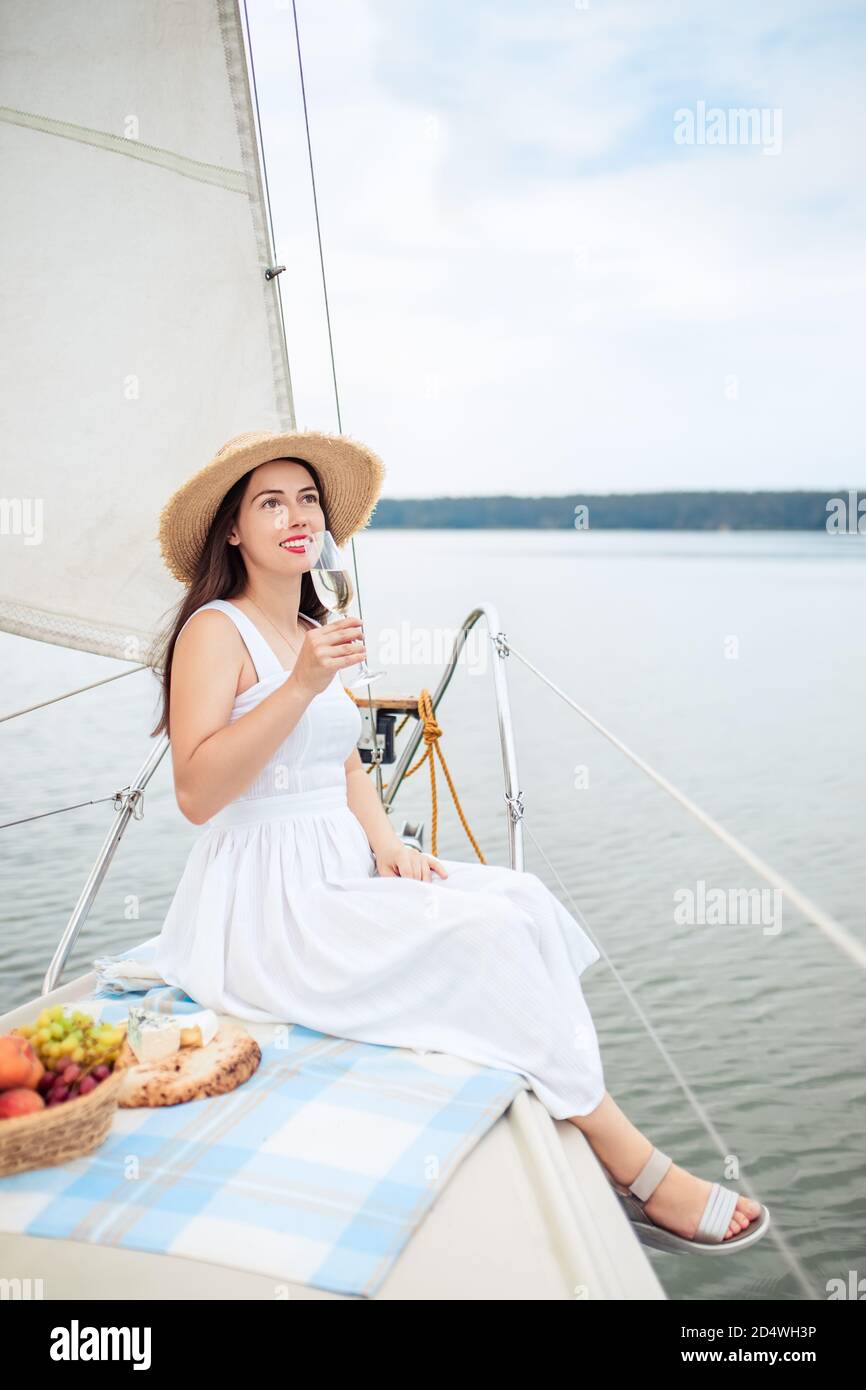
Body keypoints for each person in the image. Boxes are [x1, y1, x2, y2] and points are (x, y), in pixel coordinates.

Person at [149, 429, 770, 1254]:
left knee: (519, 900)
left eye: (307, 500)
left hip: (338, 863)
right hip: (269, 902)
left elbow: (341, 762)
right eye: (271, 502)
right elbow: (196, 792)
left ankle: (587, 1125)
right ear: (232, 529)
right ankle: (635, 1164)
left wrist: (385, 845)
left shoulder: (309, 621)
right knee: (481, 939)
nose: (297, 516)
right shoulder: (215, 633)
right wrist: (302, 685)